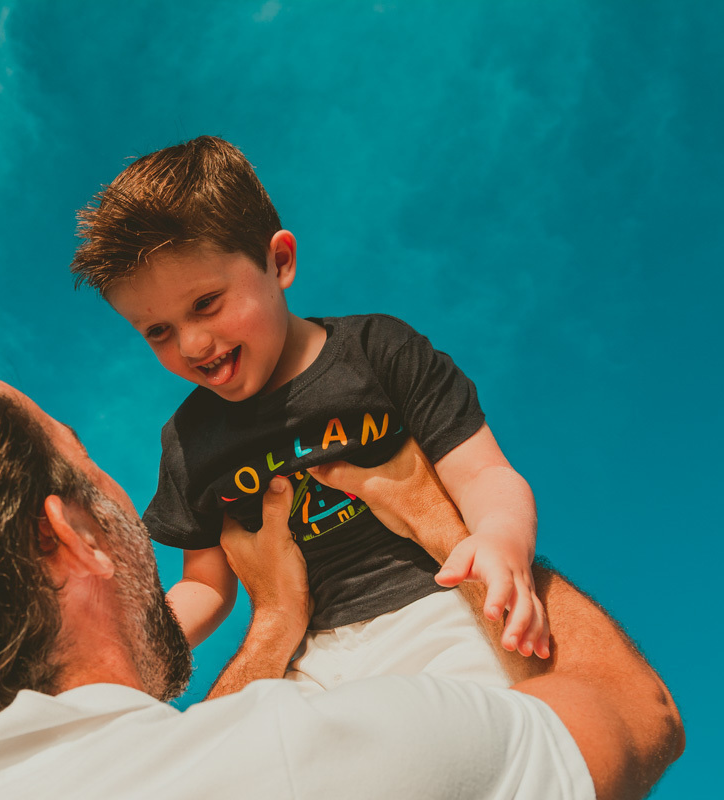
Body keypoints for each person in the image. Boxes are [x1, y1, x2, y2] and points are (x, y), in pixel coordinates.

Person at [0, 316, 682, 799]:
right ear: (60, 534)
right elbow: (635, 712)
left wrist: (278, 625)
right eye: (84, 463)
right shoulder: (308, 762)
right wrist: (439, 524)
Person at [70, 136, 546, 693]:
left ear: (279, 261)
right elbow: (206, 583)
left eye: (206, 304)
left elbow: (484, 472)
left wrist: (501, 538)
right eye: (159, 332)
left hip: (436, 610)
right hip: (309, 655)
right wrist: (133, 641)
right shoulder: (187, 439)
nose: (194, 344)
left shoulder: (379, 352)